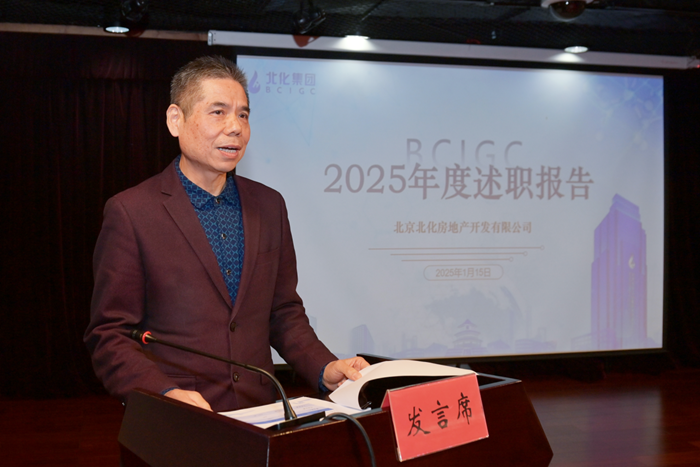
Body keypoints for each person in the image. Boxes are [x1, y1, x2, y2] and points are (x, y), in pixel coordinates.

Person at [84, 55, 368, 412]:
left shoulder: (269, 205)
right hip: (178, 421)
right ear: (176, 119)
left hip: (260, 416)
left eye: (243, 115)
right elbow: (109, 334)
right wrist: (164, 394)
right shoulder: (132, 212)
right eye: (218, 112)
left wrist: (324, 366)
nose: (235, 127)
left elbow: (282, 312)